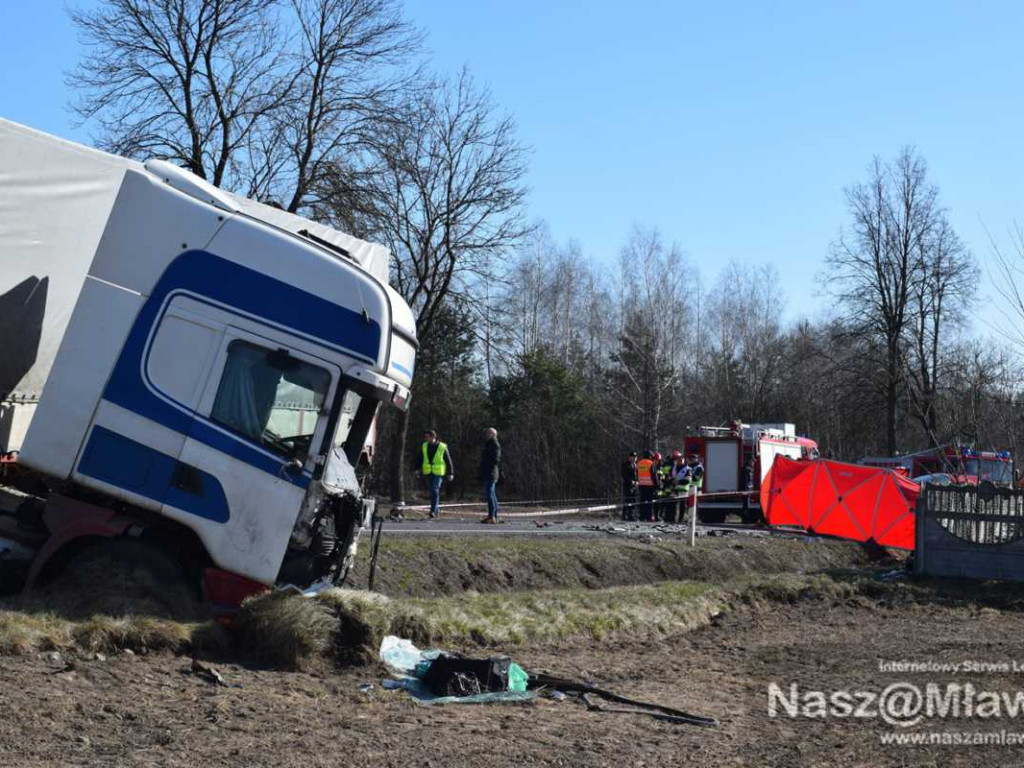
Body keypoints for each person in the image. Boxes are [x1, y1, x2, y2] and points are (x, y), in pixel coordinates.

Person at [420, 429, 453, 519]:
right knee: (432, 491)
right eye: (425, 437)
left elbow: (448, 460)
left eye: (428, 437)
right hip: (428, 472)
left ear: (433, 437)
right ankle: (436, 510)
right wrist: (416, 468)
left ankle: (432, 511)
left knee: (434, 490)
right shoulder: (424, 446)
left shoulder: (442, 447)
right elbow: (420, 457)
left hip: (438, 472)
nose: (426, 439)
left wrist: (450, 473)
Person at [479, 427, 502, 524]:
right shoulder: (488, 444)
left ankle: (492, 516)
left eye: (488, 433)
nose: (486, 435)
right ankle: (494, 515)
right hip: (487, 472)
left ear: (493, 434)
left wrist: (487, 464)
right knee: (491, 494)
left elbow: (496, 459)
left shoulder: (495, 445)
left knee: (489, 494)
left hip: (491, 473)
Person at [636, 450, 659, 523]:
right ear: (650, 456)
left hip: (641, 485)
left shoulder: (639, 463)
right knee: (649, 502)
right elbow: (654, 476)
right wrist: (657, 485)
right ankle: (649, 517)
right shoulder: (651, 463)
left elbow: (637, 474)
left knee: (642, 502)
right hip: (650, 486)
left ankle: (642, 516)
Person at [620, 451, 639, 521]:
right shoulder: (625, 465)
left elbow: (636, 475)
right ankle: (626, 515)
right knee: (628, 500)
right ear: (630, 457)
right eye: (633, 457)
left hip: (634, 486)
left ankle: (631, 515)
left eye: (635, 457)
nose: (634, 459)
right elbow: (624, 476)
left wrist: (637, 482)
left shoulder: (635, 465)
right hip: (627, 486)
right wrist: (631, 481)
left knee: (633, 500)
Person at [740, 455, 756, 524]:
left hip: (749, 490)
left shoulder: (749, 469)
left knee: (747, 505)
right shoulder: (746, 469)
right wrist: (745, 490)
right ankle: (745, 520)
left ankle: (746, 519)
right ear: (749, 461)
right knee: (745, 505)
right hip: (746, 490)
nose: (753, 463)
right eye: (752, 461)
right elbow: (745, 481)